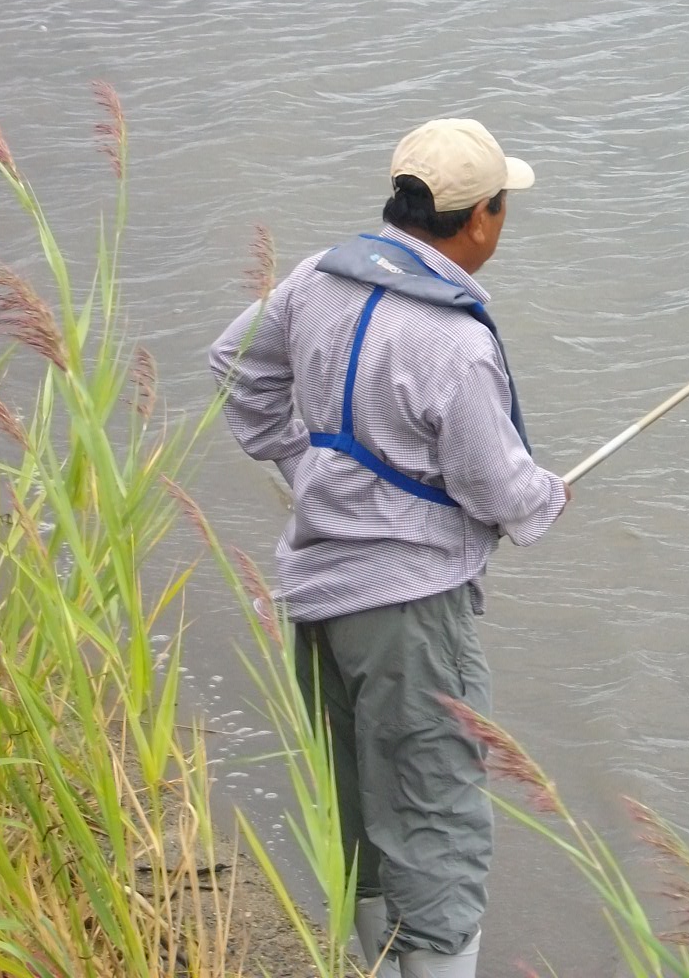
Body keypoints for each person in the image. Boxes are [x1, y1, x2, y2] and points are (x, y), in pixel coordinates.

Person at [210, 117, 570, 978]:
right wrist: (549, 496)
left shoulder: (315, 281)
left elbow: (234, 366)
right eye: (501, 207)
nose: (500, 223)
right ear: (479, 218)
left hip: (321, 592)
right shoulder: (456, 341)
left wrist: (305, 463)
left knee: (357, 802)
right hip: (408, 611)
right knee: (436, 813)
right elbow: (499, 490)